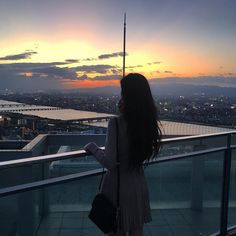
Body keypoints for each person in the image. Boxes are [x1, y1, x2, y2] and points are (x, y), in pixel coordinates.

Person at [84, 73, 162, 236]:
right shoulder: (148, 123)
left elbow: (111, 163)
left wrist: (93, 148)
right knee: (136, 229)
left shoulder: (116, 123)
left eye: (123, 92)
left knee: (116, 230)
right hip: (138, 186)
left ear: (127, 96)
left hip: (118, 190)